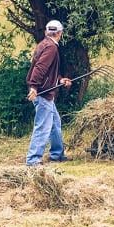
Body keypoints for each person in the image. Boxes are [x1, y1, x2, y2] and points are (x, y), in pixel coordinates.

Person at [26, 20, 72, 166]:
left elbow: (49, 72)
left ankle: (57, 154)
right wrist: (34, 87)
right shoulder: (51, 47)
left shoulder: (44, 44)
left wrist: (60, 80)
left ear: (47, 32)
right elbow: (40, 68)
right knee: (43, 126)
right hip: (43, 93)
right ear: (60, 33)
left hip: (46, 92)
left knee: (55, 123)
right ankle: (33, 160)